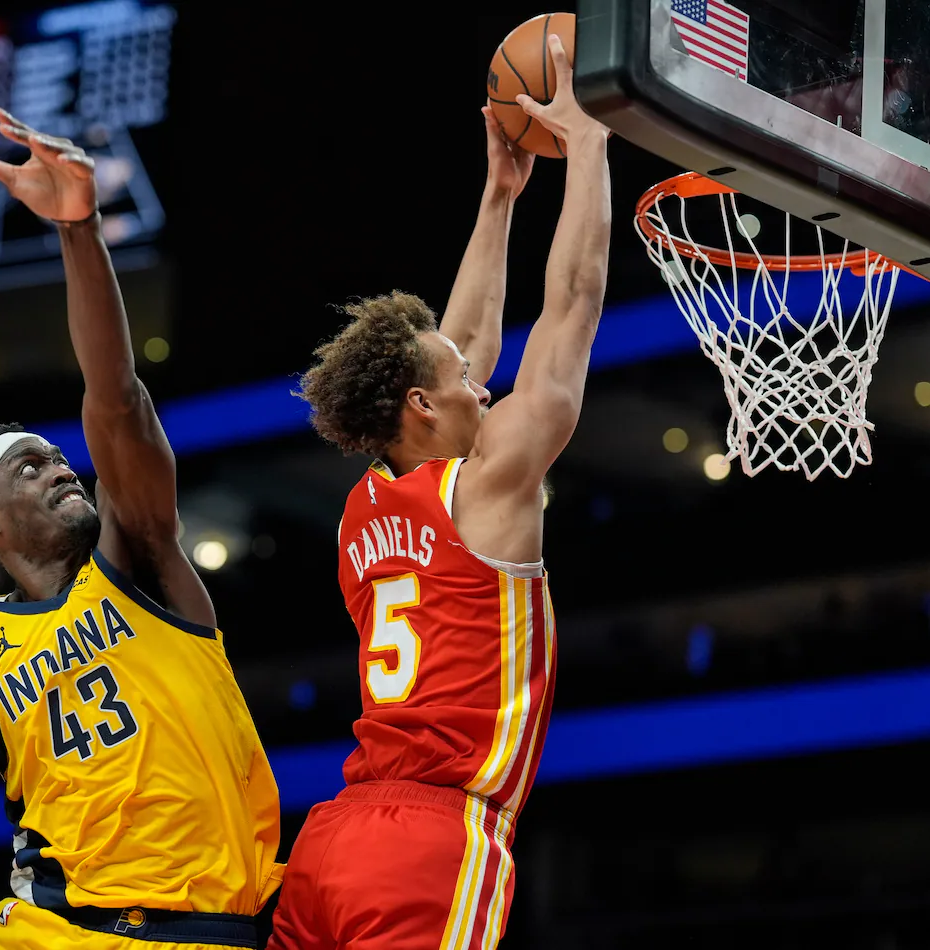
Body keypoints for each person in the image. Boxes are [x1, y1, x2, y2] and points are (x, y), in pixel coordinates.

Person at [268, 34, 612, 950]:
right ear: (421, 406)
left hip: (331, 842)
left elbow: (458, 345)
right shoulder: (490, 480)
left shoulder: (365, 505)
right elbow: (573, 303)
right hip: (433, 837)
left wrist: (500, 199)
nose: (484, 383)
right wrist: (589, 143)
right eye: (467, 381)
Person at [0, 107, 283, 950]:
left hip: (214, 928)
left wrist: (79, 229)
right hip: (57, 931)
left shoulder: (139, 561)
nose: (60, 467)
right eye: (28, 467)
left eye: (56, 456)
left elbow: (116, 401)